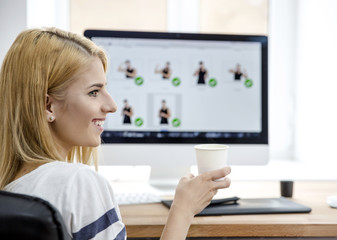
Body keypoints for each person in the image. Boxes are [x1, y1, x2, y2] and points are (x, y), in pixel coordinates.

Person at [0, 28, 231, 240]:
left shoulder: (12, 189)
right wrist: (183, 210)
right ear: (48, 106)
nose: (112, 105)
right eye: (93, 92)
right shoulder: (77, 184)